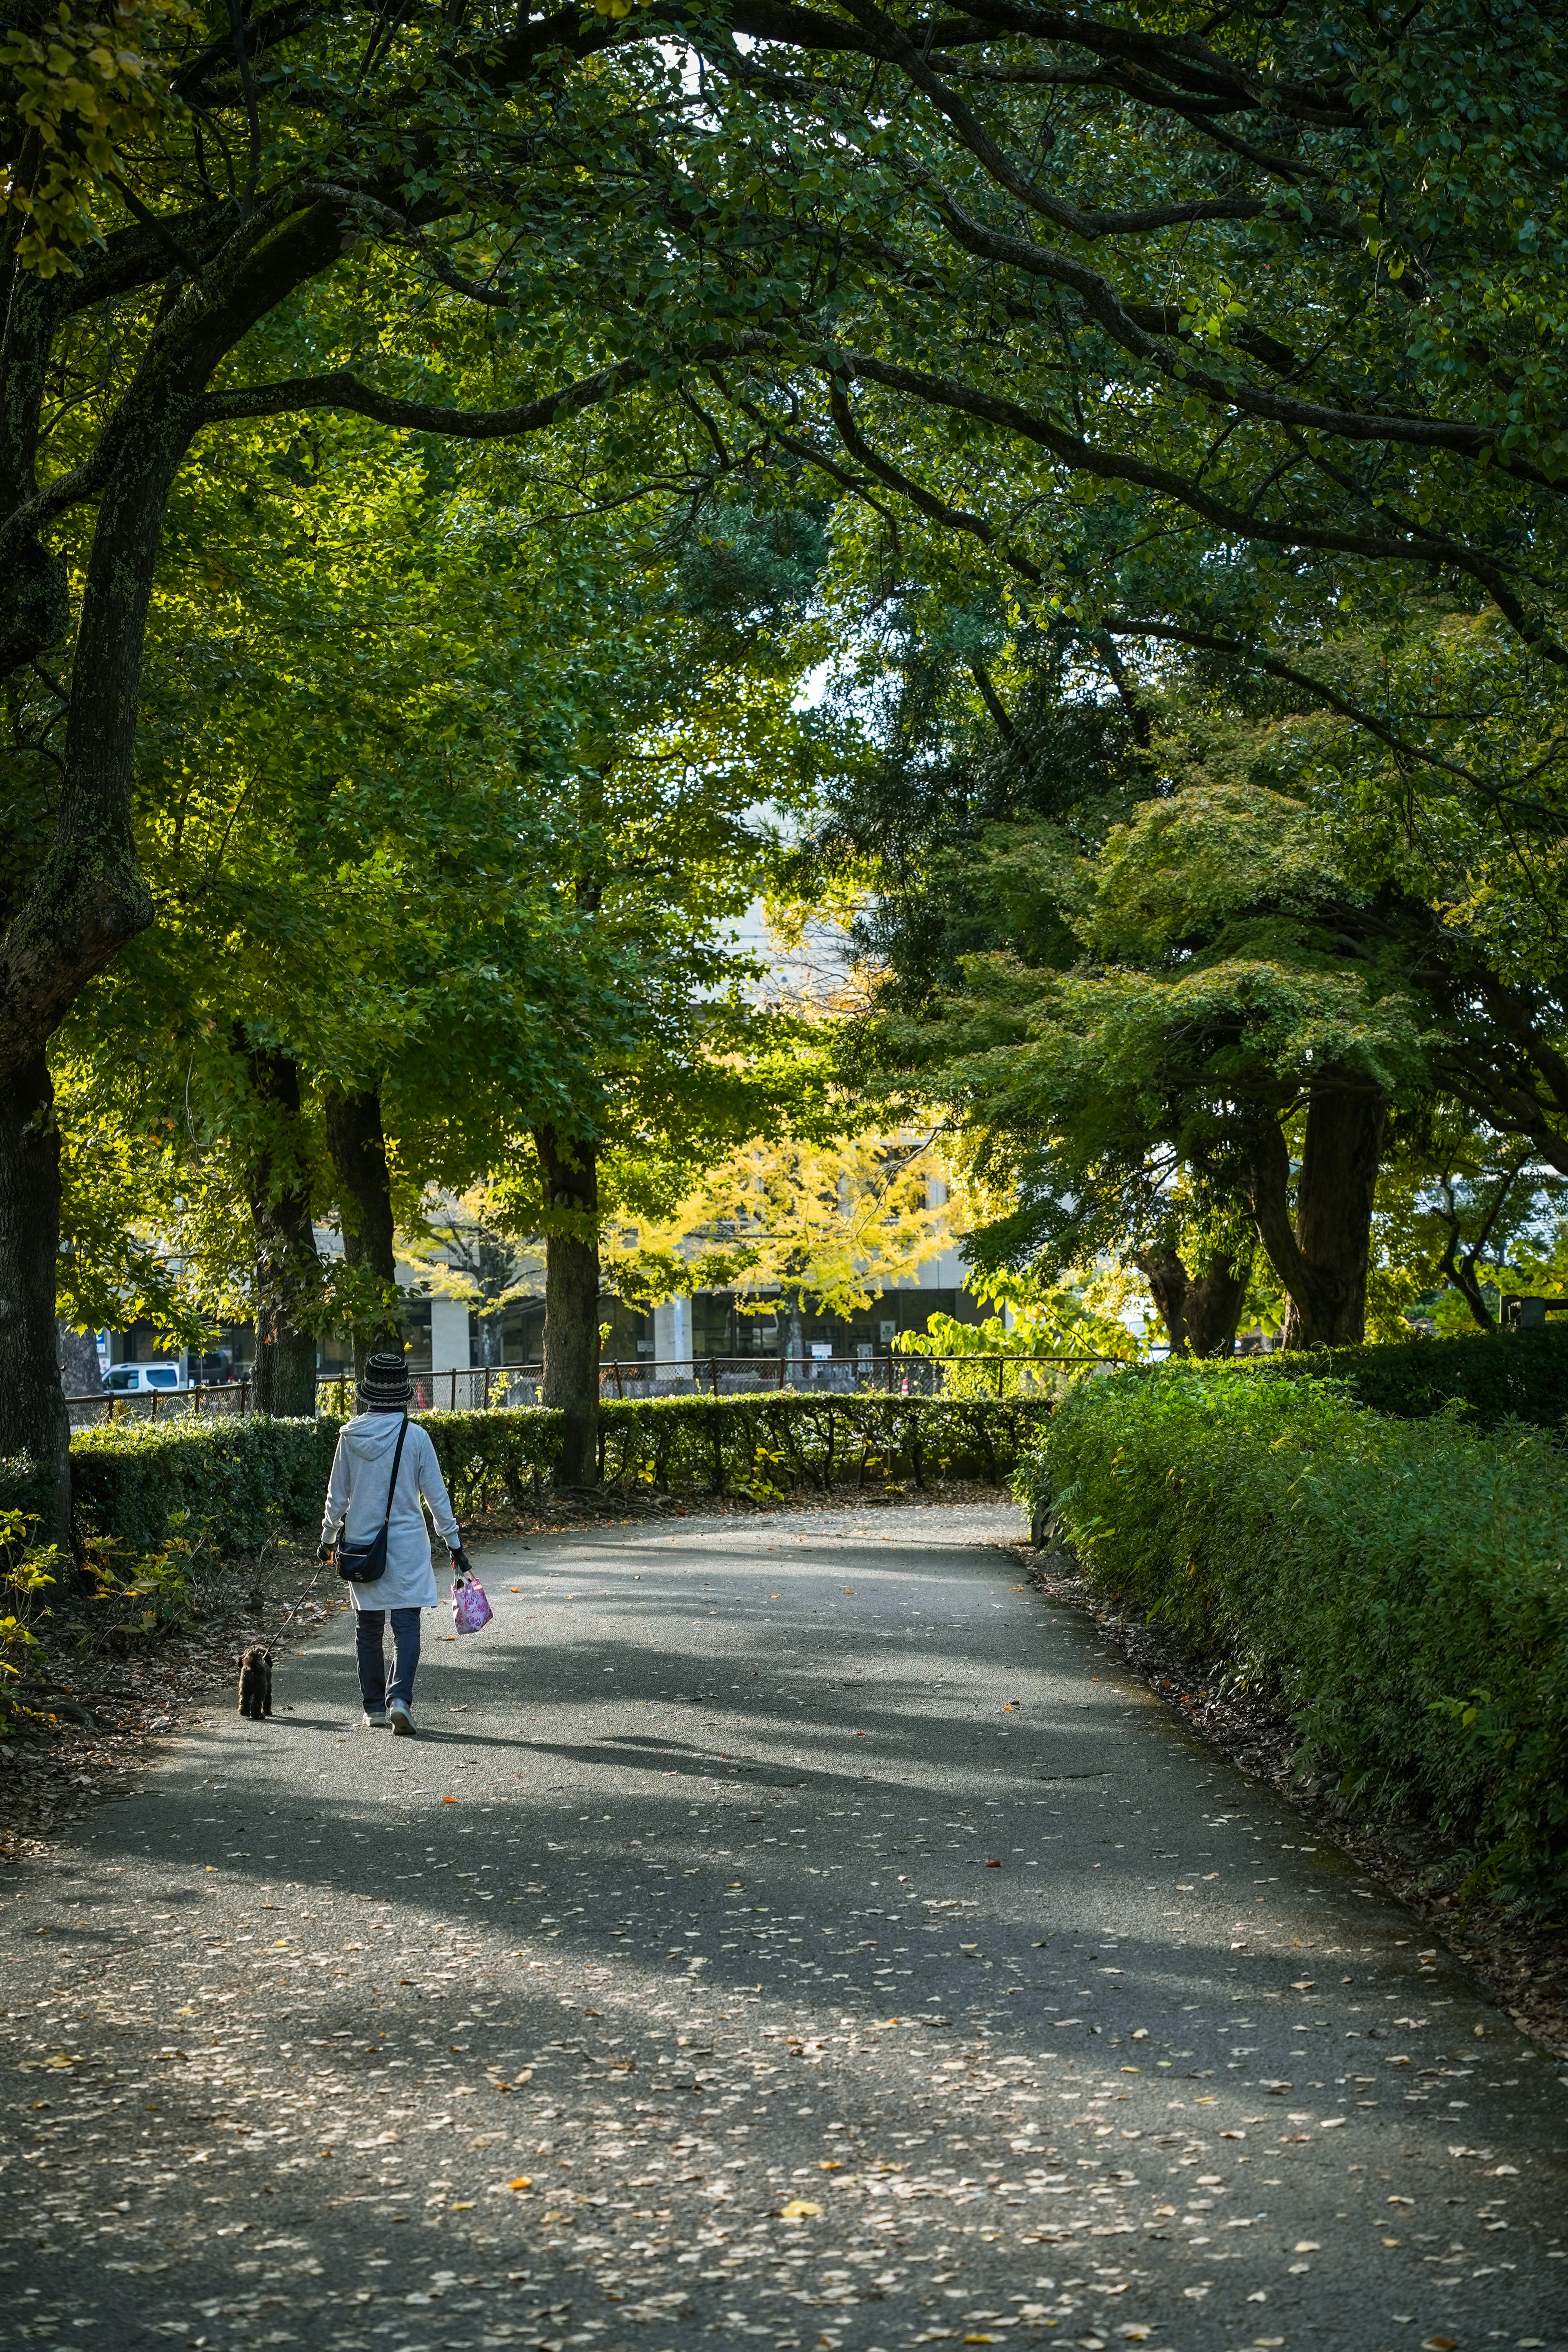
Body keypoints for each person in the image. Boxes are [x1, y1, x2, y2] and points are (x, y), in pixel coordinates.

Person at [318, 1350, 474, 1735]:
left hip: (361, 1547)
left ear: (367, 1394)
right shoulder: (417, 1437)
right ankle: (400, 1699)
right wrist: (455, 1546)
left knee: (367, 1628)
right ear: (403, 1393)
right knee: (406, 1625)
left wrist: (327, 1539)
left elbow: (337, 1497)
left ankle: (373, 1708)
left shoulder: (349, 1436)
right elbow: (438, 1499)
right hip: (406, 1547)